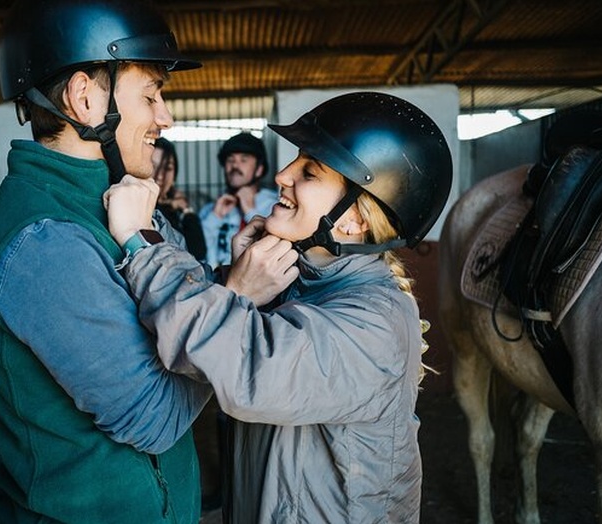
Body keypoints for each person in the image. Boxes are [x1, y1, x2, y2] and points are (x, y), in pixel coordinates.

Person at [105, 91, 453, 523]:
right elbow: (219, 316)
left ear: (355, 220)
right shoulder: (299, 284)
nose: (284, 175)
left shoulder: (374, 324)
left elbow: (244, 361)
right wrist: (240, 280)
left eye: (309, 171)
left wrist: (143, 241)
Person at [0, 1, 213, 522]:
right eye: (150, 95)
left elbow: (198, 298)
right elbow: (156, 416)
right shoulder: (44, 244)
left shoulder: (122, 199)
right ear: (85, 99)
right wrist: (239, 309)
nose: (164, 117)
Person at [199, 132, 279, 268]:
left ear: (259, 169)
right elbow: (198, 254)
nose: (235, 166)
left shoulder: (275, 206)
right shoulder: (210, 210)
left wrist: (250, 211)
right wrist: (215, 217)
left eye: (243, 160)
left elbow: (274, 253)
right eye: (230, 160)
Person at [152, 137, 207, 261]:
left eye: (167, 168)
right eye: (153, 166)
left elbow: (198, 252)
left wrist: (187, 211)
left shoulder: (174, 210)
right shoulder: (136, 206)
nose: (160, 176)